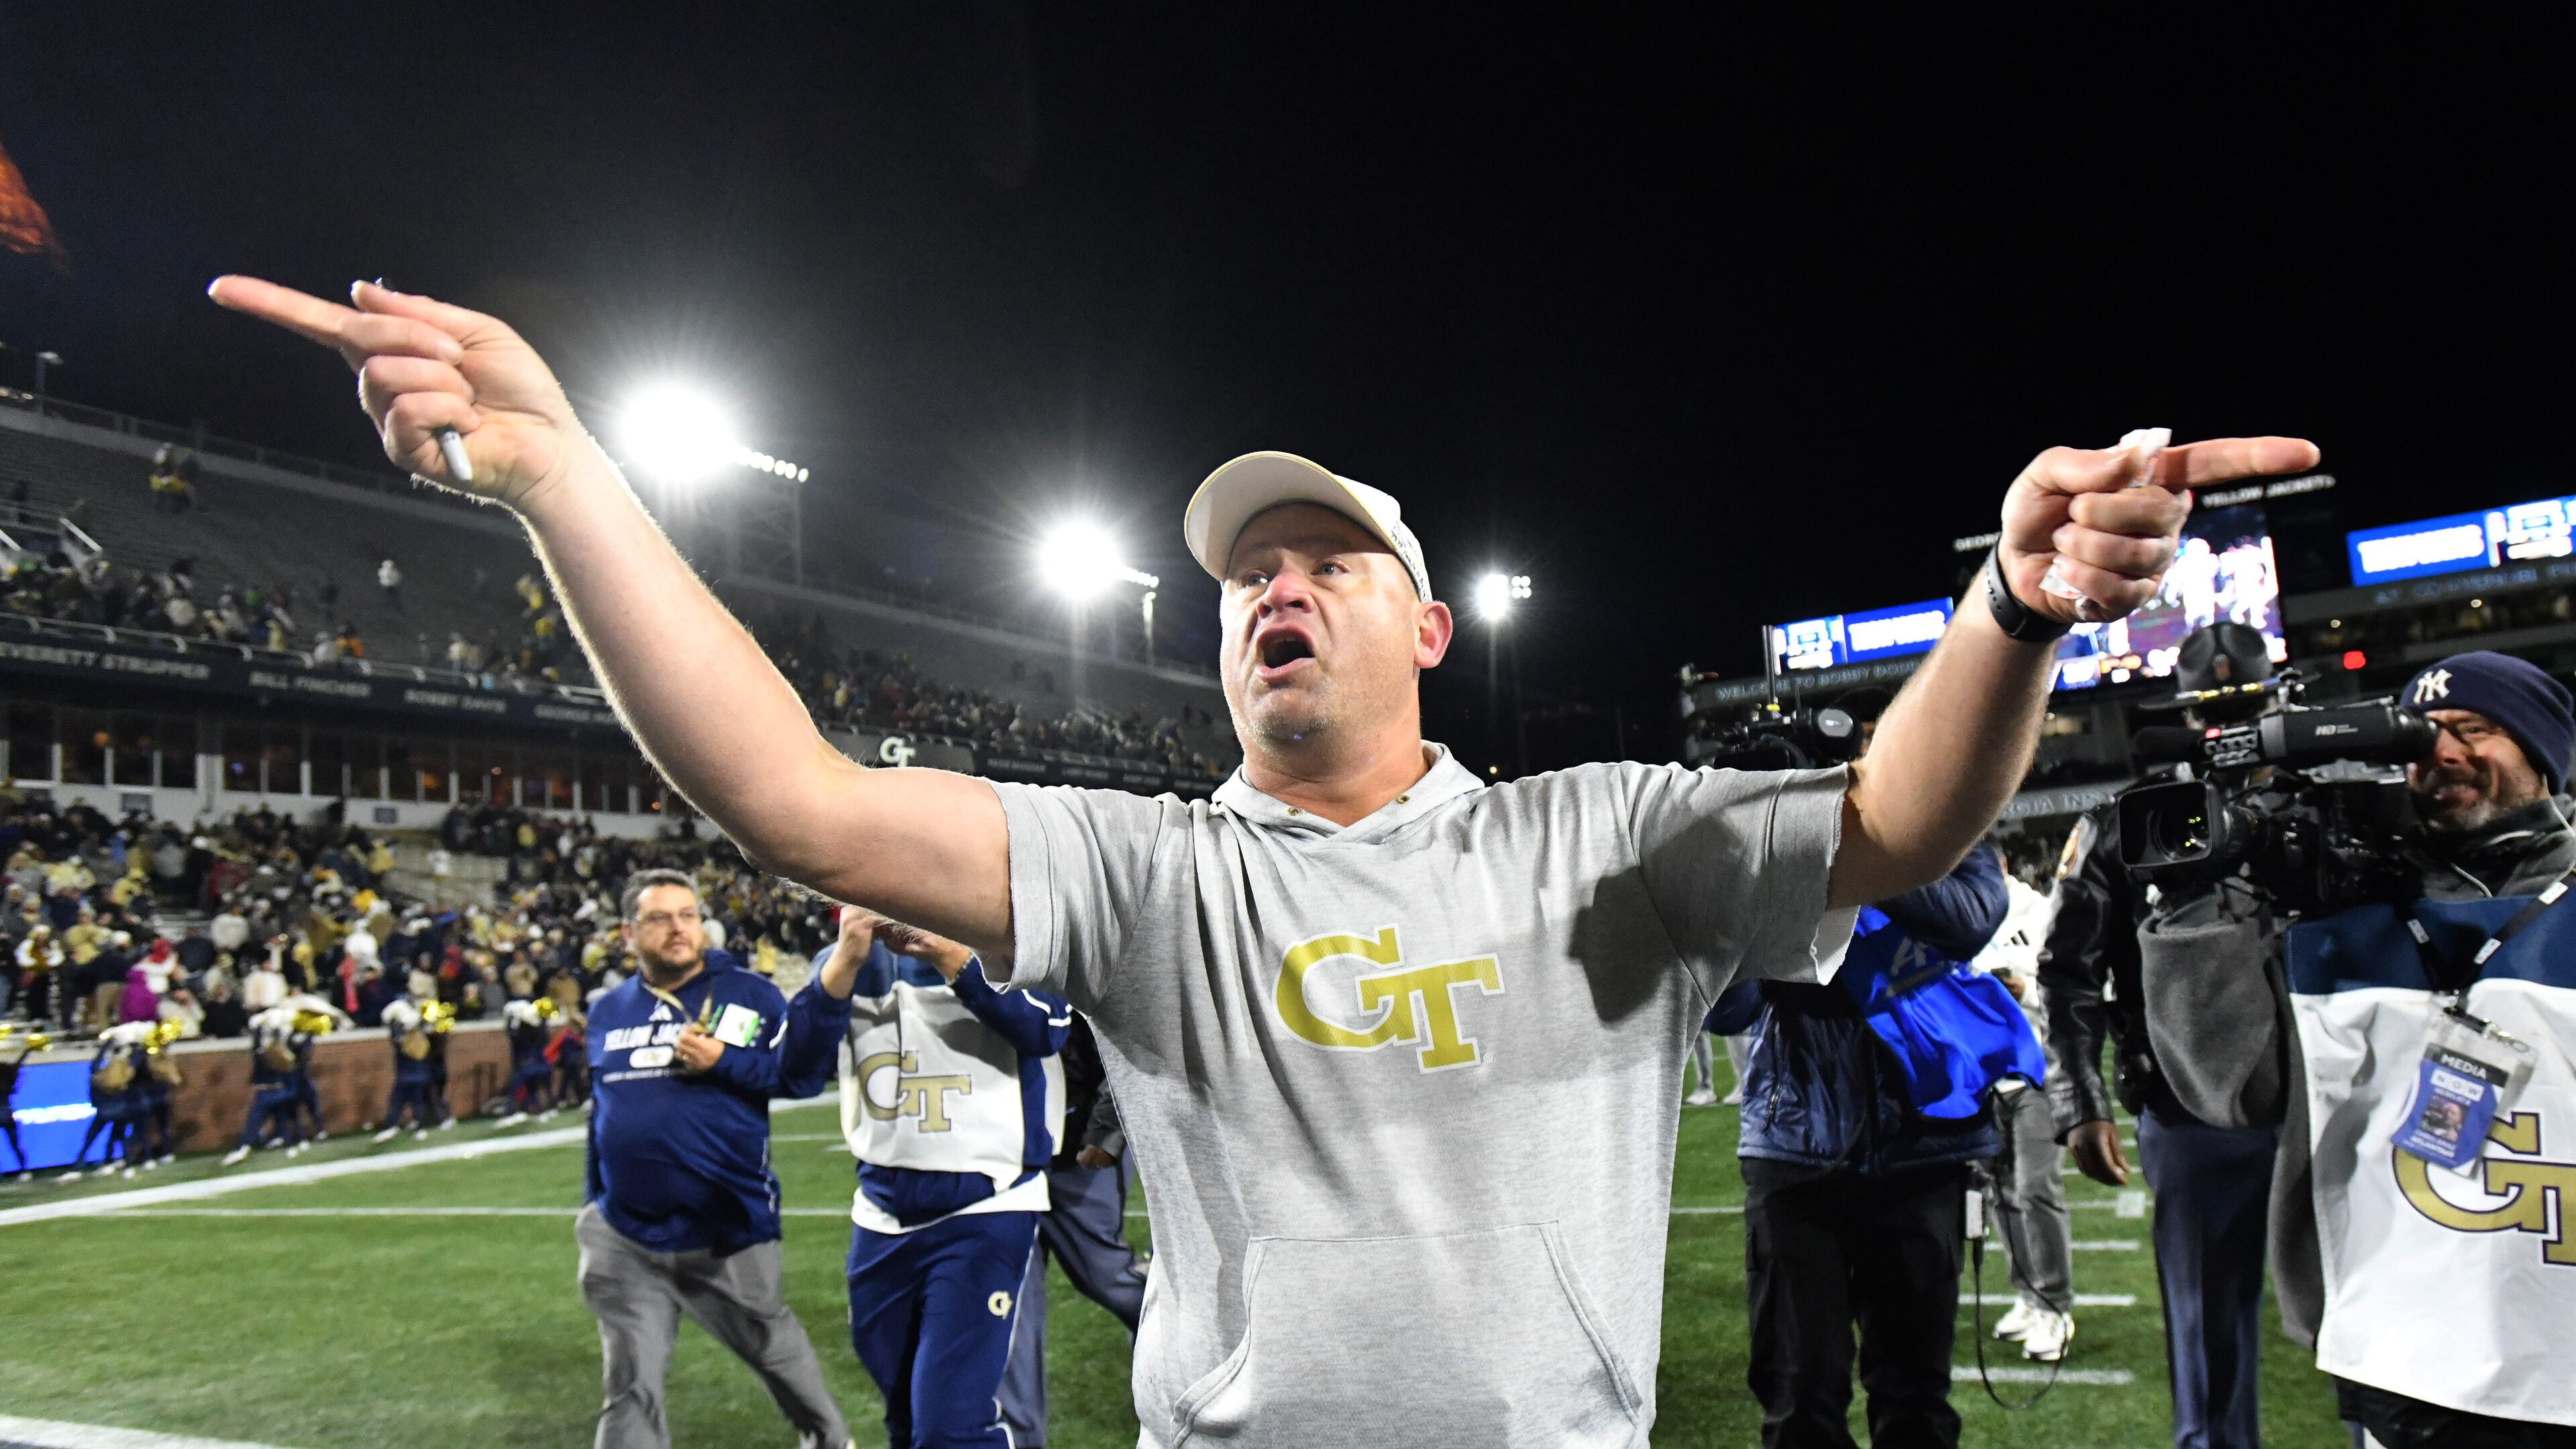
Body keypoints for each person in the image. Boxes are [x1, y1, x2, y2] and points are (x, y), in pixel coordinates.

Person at [211, 272, 2299, 1443]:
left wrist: (2011, 612)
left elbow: (1895, 821)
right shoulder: (1148, 871)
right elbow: (794, 796)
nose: (1273, 591)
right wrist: (567, 479)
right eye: (1243, 575)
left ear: (1423, 625)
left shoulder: (1600, 838)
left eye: (1327, 564)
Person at [2139, 649, 2576, 1447]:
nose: (2442, 752)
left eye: (2475, 729)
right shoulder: (2336, 904)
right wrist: (2198, 901)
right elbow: (2231, 1091)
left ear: (2545, 754)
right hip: (2403, 1341)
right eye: (2423, 732)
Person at [1706, 684, 2026, 1449]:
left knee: (1914, 1397)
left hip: (1923, 1148)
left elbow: (1969, 920)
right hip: (1796, 1157)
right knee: (1799, 1398)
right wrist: (1749, 872)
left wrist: (1850, 826)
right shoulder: (1763, 847)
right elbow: (1731, 1011)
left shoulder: (1935, 821)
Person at [2043, 624, 2294, 1449]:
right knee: (2208, 1330)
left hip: (2334, 1094)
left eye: (2247, 704)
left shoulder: (2322, 798)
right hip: (2190, 1104)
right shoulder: (2128, 819)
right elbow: (2068, 968)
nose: (2232, 726)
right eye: (2217, 709)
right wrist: (2080, 1102)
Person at [575, 867, 851, 1449]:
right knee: (629, 1387)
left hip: (725, 1229)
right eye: (659, 918)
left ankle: (831, 1440)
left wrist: (724, 1060)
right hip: (626, 1237)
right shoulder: (607, 1009)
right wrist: (594, 1203)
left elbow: (798, 1079)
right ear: (629, 933)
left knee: (776, 1352)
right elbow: (602, 1112)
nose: (677, 929)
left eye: (688, 916)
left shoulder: (749, 994)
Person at [790, 906, 1071, 1449]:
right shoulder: (843, 962)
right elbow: (795, 1072)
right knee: (904, 1420)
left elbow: (1047, 1027)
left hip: (987, 1210)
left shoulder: (1001, 947)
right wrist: (845, 960)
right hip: (880, 1217)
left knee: (952, 1429)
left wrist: (949, 954)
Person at [1000, 1013, 1150, 1448]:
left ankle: (1183, 1343)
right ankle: (1021, 1438)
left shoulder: (1066, 948)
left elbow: (1120, 1032)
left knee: (1108, 1278)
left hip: (1078, 1151)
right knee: (1011, 1313)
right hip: (1005, 1161)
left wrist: (1106, 1131)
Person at [1970, 857, 2075, 1361]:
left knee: (2036, 1189)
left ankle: (2055, 1306)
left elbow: (2075, 986)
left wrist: (2025, 991)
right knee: (2001, 1193)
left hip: (2038, 1070)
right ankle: (2027, 1296)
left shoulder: (2039, 912)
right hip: (1985, 1077)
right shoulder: (1963, 914)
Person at [374, 997, 440, 1141]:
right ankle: (414, 1128)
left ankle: (397, 1127)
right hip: (416, 1075)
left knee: (403, 1102)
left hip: (408, 1075)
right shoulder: (418, 1037)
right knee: (413, 1103)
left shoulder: (408, 1040)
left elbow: (400, 1039)